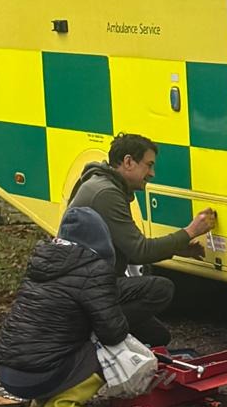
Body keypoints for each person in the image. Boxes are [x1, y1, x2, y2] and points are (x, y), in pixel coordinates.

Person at [67, 133, 217, 345]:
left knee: (158, 337)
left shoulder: (104, 185)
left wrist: (176, 249)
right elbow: (140, 251)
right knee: (161, 289)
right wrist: (191, 231)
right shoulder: (106, 193)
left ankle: (101, 331)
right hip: (87, 288)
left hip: (88, 284)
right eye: (149, 165)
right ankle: (91, 333)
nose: (152, 173)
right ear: (128, 162)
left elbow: (129, 250)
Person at [0, 206, 129, 407]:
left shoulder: (41, 262)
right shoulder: (94, 269)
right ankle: (62, 405)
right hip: (37, 376)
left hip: (7, 372)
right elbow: (113, 333)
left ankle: (40, 401)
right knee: (110, 353)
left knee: (53, 343)